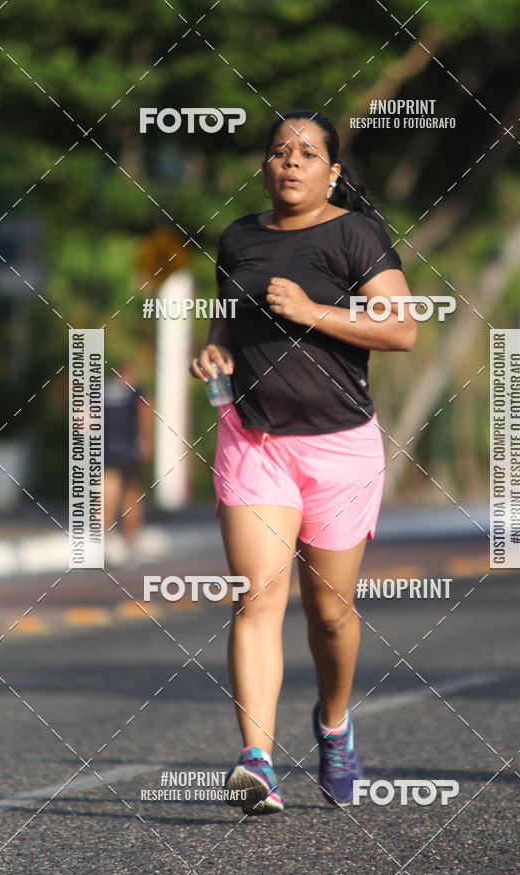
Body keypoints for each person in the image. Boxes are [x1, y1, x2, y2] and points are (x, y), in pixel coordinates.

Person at [190, 109, 416, 815]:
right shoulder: (238, 237)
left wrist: (312, 310)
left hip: (339, 448)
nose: (291, 161)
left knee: (330, 613)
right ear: (264, 167)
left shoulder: (357, 234)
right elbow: (227, 322)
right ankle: (256, 761)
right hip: (254, 440)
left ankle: (335, 725)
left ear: (332, 172)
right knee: (256, 598)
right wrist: (216, 350)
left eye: (308, 153)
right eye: (280, 152)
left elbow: (402, 331)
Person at [104, 363, 152, 566]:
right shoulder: (136, 392)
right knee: (132, 497)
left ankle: (106, 541)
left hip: (105, 450)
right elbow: (145, 411)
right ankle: (130, 542)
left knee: (106, 494)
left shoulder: (101, 392)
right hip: (129, 450)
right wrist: (145, 438)